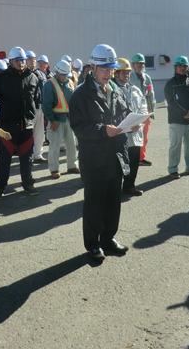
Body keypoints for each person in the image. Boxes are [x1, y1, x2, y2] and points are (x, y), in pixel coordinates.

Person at [70, 44, 132, 262]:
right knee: (94, 204)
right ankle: (93, 244)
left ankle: (108, 239)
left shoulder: (114, 89)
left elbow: (124, 112)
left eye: (111, 69)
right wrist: (104, 130)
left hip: (115, 156)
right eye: (105, 69)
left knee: (113, 202)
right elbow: (79, 127)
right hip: (94, 159)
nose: (109, 73)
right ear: (93, 68)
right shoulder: (80, 95)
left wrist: (131, 123)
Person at [0, 46, 40, 199]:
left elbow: (37, 98)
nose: (21, 63)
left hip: (26, 126)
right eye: (17, 60)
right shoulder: (1, 78)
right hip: (7, 126)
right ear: (11, 61)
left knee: (27, 158)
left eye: (23, 60)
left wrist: (31, 115)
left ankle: (28, 184)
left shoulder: (33, 77)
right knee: (4, 159)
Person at [113, 58, 147, 196]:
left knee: (133, 162)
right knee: (119, 164)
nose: (126, 75)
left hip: (136, 133)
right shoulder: (111, 90)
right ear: (115, 74)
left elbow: (143, 107)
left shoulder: (135, 90)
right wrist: (127, 126)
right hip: (120, 135)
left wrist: (140, 121)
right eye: (123, 72)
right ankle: (114, 190)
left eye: (128, 72)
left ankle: (129, 186)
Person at [164, 55, 189, 179]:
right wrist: (184, 113)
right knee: (175, 145)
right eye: (179, 66)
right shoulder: (170, 84)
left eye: (184, 66)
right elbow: (171, 102)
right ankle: (173, 169)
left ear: (187, 68)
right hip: (176, 120)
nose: (182, 68)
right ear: (175, 67)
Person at [42, 60, 78, 179]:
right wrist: (52, 120)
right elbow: (46, 105)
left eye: (65, 75)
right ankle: (54, 169)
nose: (64, 77)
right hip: (56, 120)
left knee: (72, 143)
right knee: (54, 146)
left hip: (69, 119)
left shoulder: (70, 83)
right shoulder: (49, 85)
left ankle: (72, 165)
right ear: (56, 72)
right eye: (62, 74)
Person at [131, 53, 155, 166]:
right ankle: (132, 158)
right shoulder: (129, 76)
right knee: (133, 137)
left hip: (145, 112)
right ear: (133, 65)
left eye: (142, 64)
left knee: (144, 138)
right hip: (133, 112)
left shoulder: (147, 78)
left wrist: (151, 111)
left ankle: (141, 158)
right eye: (138, 64)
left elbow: (151, 95)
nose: (140, 66)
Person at [29, 51, 47, 164]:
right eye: (30, 59)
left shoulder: (40, 73)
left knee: (40, 132)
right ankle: (29, 154)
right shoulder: (25, 74)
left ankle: (38, 154)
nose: (33, 61)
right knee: (29, 133)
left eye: (34, 59)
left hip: (40, 106)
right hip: (30, 107)